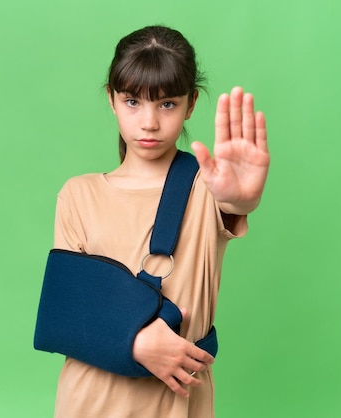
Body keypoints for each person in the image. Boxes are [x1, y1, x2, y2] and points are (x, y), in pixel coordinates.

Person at [50, 25, 270, 418]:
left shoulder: (206, 187)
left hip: (175, 405)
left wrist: (241, 197)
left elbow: (233, 200)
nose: (149, 122)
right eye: (133, 101)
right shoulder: (77, 194)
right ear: (112, 101)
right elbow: (70, 310)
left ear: (191, 104)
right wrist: (134, 342)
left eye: (166, 104)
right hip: (89, 401)